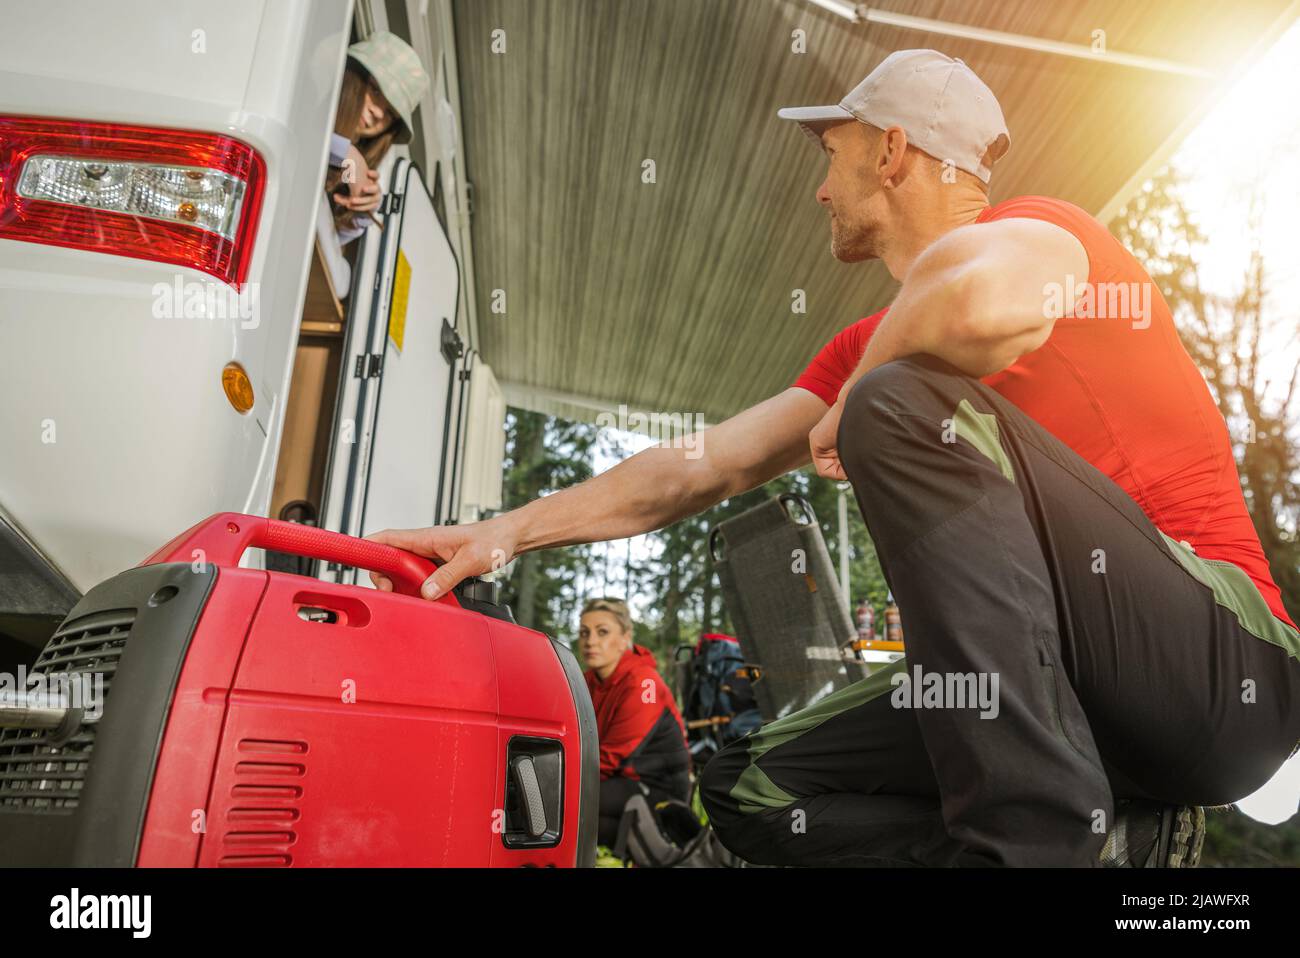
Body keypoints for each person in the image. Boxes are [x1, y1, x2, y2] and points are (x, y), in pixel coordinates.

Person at [367, 49, 1300, 866]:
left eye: (834, 154)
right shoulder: (868, 352)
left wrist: (870, 389)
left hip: (1223, 665)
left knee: (897, 405)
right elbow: (700, 464)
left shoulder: (1047, 231)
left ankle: (1036, 845)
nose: (821, 187)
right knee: (750, 786)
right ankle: (1109, 836)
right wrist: (507, 532)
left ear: (890, 150)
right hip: (1081, 710)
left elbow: (979, 302)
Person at [576, 598, 691, 848]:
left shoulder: (643, 683)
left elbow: (610, 757)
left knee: (568, 802)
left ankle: (666, 843)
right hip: (616, 778)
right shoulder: (586, 681)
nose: (590, 641)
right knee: (564, 807)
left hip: (657, 787)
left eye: (602, 632)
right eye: (584, 632)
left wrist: (557, 775)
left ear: (625, 638)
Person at [325, 31, 430, 245]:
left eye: (391, 113)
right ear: (352, 73)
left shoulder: (351, 173)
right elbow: (300, 133)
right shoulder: (310, 94)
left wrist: (360, 213)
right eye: (375, 90)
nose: (379, 113)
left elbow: (325, 250)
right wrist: (348, 154)